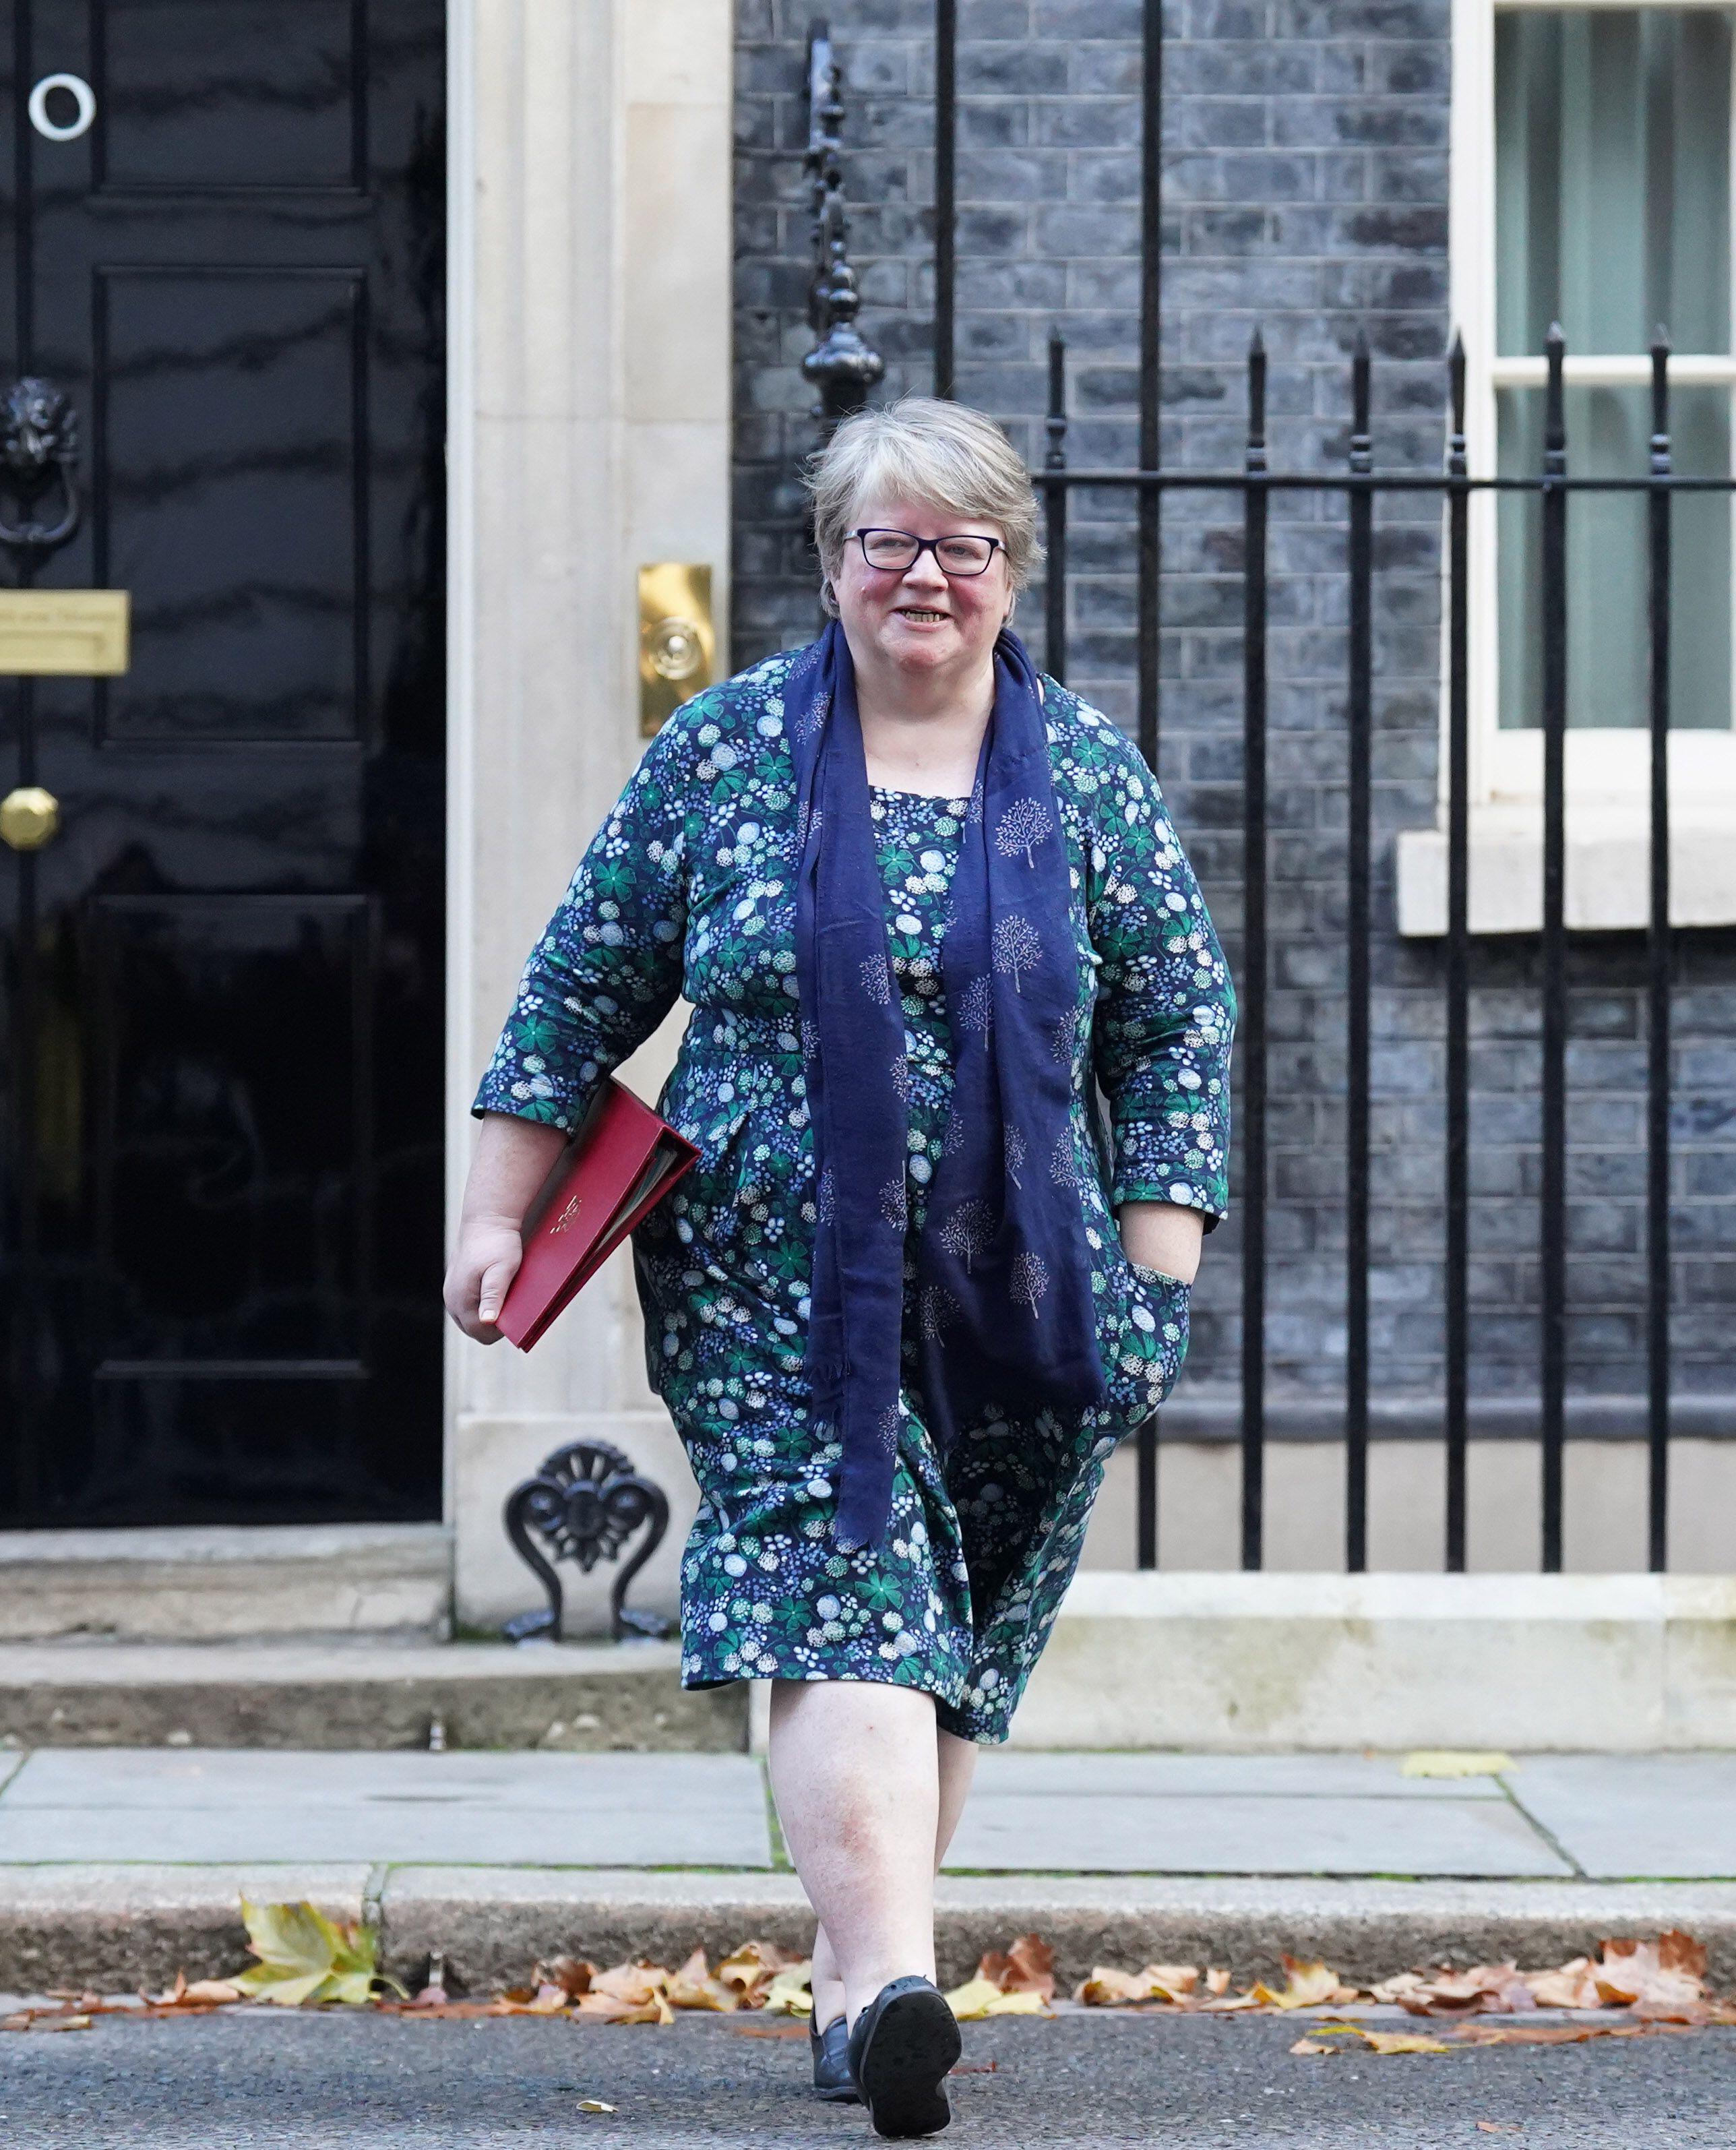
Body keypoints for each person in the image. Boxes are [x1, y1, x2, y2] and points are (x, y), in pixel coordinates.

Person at [443, 398, 1235, 2137]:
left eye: (962, 545)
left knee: (947, 1636)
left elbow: (1177, 1026)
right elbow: (582, 989)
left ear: (1012, 570)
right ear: (831, 564)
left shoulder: (1086, 773)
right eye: (886, 541)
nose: (924, 576)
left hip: (1032, 1282)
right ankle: (892, 1980)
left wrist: (1155, 1264)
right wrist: (499, 1210)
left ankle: (850, 1979)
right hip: (764, 1274)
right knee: (846, 1589)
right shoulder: (725, 753)